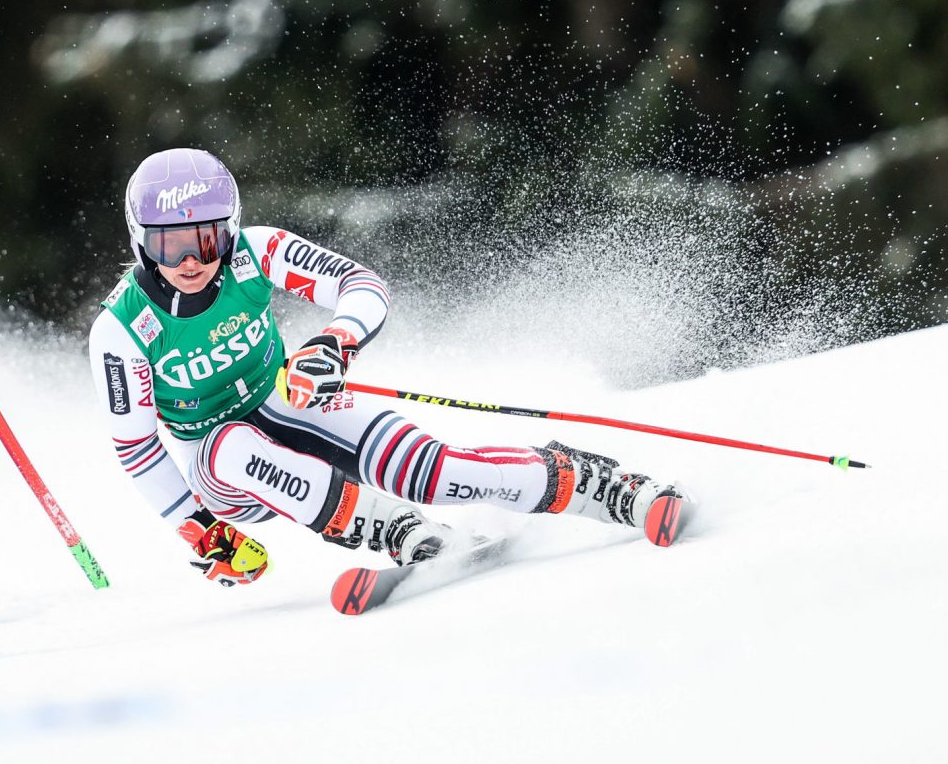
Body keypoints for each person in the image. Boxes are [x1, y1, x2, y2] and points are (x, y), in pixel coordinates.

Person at [89, 148, 687, 587]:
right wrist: (198, 529)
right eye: (170, 246)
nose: (192, 260)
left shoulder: (257, 252)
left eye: (207, 240)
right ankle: (394, 529)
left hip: (290, 398)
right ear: (142, 241)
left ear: (230, 229)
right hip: (224, 474)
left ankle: (597, 486)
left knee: (436, 472)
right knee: (229, 445)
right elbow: (139, 449)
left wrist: (333, 345)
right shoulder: (122, 329)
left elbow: (360, 284)